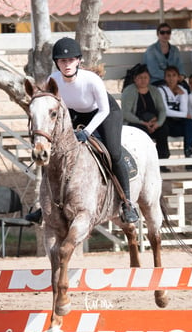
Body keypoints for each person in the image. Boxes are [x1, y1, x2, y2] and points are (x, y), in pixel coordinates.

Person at [25, 37, 139, 224]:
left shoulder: (91, 80)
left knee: (113, 152)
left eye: (70, 60)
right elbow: (57, 109)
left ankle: (127, 203)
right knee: (52, 155)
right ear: (57, 63)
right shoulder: (52, 79)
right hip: (75, 114)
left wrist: (87, 132)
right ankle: (45, 207)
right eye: (62, 61)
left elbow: (104, 110)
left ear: (78, 61)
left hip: (104, 114)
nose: (67, 64)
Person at [121, 64, 171, 173]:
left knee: (164, 129)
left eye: (145, 77)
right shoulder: (129, 91)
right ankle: (145, 163)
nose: (143, 80)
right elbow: (126, 113)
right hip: (136, 123)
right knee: (140, 133)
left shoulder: (154, 90)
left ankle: (162, 161)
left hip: (153, 123)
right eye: (140, 78)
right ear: (135, 79)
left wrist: (158, 123)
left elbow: (162, 109)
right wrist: (143, 123)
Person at [158, 66, 192, 170]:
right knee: (163, 128)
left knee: (189, 123)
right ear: (165, 78)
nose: (171, 78)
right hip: (166, 123)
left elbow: (184, 110)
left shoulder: (183, 90)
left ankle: (189, 154)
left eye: (174, 75)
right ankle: (162, 162)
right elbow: (166, 112)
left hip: (178, 124)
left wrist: (182, 95)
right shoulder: (161, 90)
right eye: (168, 76)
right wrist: (184, 115)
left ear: (178, 78)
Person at [143, 22, 187, 88]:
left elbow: (180, 66)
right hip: (157, 80)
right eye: (162, 32)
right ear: (158, 34)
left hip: (175, 80)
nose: (165, 35)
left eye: (168, 32)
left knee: (185, 87)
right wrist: (171, 77)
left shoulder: (175, 50)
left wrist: (181, 75)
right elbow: (154, 71)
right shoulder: (151, 50)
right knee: (168, 89)